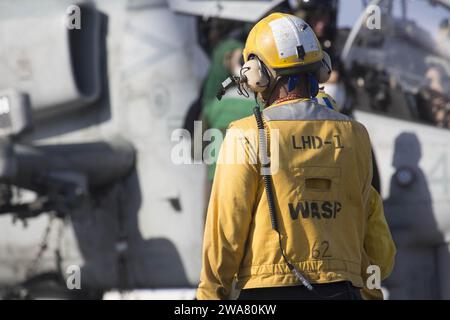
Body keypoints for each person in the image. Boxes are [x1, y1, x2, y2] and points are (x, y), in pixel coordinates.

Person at [196, 12, 395, 300]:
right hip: (343, 290)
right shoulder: (356, 136)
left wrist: (208, 298)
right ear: (321, 68)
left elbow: (225, 232)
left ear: (257, 74)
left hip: (268, 293)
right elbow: (378, 246)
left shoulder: (246, 135)